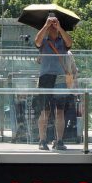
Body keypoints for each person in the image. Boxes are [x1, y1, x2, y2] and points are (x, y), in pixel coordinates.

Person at [35, 13, 73, 150]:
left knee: (60, 111)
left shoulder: (62, 42)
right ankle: (42, 140)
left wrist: (60, 28)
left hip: (60, 77)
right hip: (45, 77)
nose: (52, 27)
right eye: (51, 25)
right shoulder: (44, 42)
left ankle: (59, 140)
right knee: (45, 111)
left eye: (54, 24)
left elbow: (70, 43)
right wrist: (46, 25)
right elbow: (37, 41)